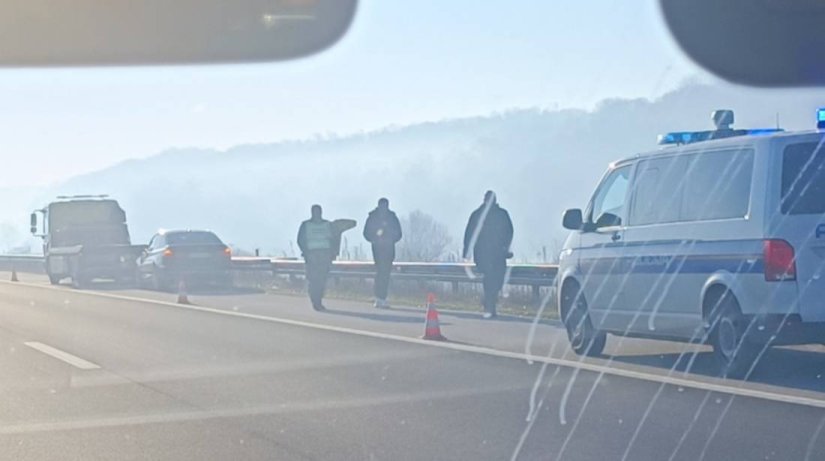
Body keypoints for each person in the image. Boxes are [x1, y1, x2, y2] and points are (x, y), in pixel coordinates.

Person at [463, 191, 513, 319]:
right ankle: (490, 304)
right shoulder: (477, 215)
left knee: (498, 278)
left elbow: (509, 231)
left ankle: (489, 300)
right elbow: (469, 233)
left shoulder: (502, 215)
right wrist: (466, 251)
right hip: (483, 252)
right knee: (489, 276)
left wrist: (505, 247)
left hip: (498, 253)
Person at [363, 198, 403, 308]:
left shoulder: (392, 217)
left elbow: (399, 233)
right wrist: (375, 239)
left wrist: (390, 239)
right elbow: (366, 232)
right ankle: (379, 297)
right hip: (377, 248)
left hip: (389, 248)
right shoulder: (373, 217)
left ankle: (382, 297)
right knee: (380, 271)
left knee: (386, 273)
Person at [297, 205, 336, 311]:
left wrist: (332, 253)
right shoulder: (306, 225)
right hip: (312, 255)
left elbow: (333, 239)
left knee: (322, 279)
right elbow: (300, 240)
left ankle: (319, 299)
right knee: (313, 279)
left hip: (324, 255)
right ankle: (315, 300)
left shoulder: (327, 225)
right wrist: (306, 252)